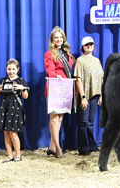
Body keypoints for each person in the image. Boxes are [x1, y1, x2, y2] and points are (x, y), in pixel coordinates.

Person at [44, 26, 75, 158]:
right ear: (52, 39)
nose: (59, 39)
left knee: (60, 118)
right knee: (54, 118)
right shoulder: (49, 53)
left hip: (65, 88)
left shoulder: (67, 54)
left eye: (61, 37)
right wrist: (54, 75)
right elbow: (50, 69)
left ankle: (52, 146)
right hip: (55, 87)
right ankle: (58, 148)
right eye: (56, 37)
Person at [0, 58, 29, 163]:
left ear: (18, 69)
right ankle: (9, 155)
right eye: (9, 69)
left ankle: (18, 155)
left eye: (13, 69)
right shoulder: (2, 81)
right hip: (3, 108)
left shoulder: (21, 81)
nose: (11, 71)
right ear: (6, 69)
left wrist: (22, 88)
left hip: (15, 109)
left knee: (13, 133)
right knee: (6, 133)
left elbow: (26, 96)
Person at [74, 36, 104, 155]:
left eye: (91, 44)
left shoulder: (97, 61)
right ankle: (83, 147)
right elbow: (78, 80)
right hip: (85, 96)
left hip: (95, 95)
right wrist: (82, 97)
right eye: (87, 44)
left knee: (91, 122)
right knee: (83, 122)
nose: (89, 46)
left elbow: (101, 79)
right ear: (83, 47)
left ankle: (92, 145)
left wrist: (101, 95)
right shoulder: (80, 61)